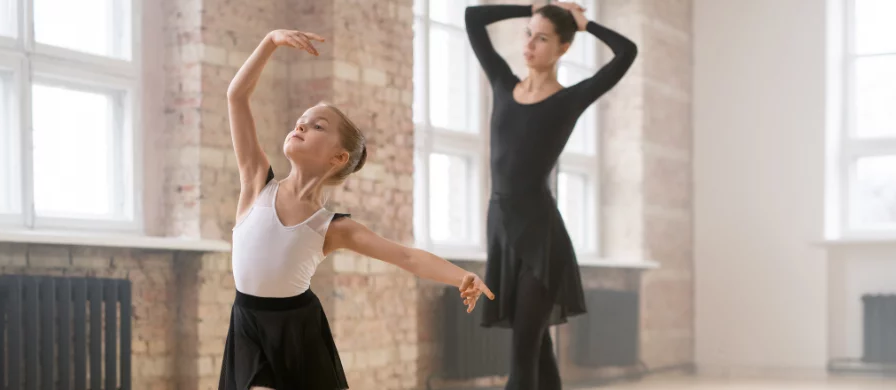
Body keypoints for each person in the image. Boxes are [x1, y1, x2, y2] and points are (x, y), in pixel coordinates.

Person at [220, 29, 495, 390]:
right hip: (247, 325)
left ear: (338, 157)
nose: (301, 125)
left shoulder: (331, 227)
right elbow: (236, 97)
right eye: (301, 121)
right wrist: (270, 41)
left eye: (318, 126)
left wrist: (461, 277)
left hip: (299, 331)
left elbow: (406, 257)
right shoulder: (257, 181)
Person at [465, 2, 638, 389]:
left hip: (542, 241)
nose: (529, 44)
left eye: (541, 38)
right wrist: (533, 7)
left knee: (523, 353)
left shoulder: (568, 101)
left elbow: (627, 52)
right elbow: (472, 17)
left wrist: (585, 23)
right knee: (538, 350)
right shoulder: (502, 83)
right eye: (528, 33)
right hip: (502, 231)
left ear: (562, 48)